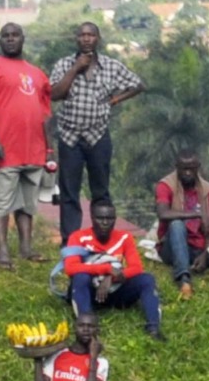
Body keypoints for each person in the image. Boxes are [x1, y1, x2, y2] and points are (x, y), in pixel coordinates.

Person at [49, 23, 144, 243]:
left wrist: (116, 99)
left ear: (98, 38)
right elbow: (55, 94)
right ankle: (70, 241)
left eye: (91, 35)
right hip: (69, 136)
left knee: (100, 191)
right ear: (76, 39)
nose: (86, 39)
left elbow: (138, 84)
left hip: (98, 136)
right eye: (82, 35)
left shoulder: (110, 66)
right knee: (69, 192)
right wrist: (75, 68)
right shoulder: (64, 64)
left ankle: (103, 239)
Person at [0, 22, 52, 268]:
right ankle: (2, 252)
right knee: (2, 201)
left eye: (15, 35)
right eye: (6, 35)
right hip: (4, 150)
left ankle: (26, 248)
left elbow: (45, 113)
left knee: (28, 203)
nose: (10, 39)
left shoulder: (36, 72)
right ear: (0, 40)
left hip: (33, 150)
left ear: (23, 38)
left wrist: (48, 148)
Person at [60, 200, 164, 340]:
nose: (104, 223)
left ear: (115, 220)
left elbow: (137, 268)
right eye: (100, 218)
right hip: (89, 291)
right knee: (80, 277)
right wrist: (107, 269)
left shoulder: (124, 237)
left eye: (109, 219)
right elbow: (70, 268)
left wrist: (112, 278)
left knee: (147, 279)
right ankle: (88, 327)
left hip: (115, 290)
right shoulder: (78, 237)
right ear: (92, 218)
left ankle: (153, 327)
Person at [152, 153, 207, 302]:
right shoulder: (166, 185)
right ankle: (184, 279)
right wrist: (194, 214)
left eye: (191, 169)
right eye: (184, 169)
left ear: (198, 168)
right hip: (172, 246)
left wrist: (206, 254)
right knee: (176, 224)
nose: (187, 173)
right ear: (177, 168)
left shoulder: (208, 190)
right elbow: (163, 213)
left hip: (198, 248)